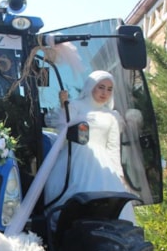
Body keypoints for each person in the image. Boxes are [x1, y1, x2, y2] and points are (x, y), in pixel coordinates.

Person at [43, 70, 136, 227]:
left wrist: (119, 174)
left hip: (103, 166)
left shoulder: (112, 116)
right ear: (91, 86)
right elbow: (64, 127)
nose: (104, 93)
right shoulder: (75, 106)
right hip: (75, 158)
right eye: (101, 87)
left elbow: (113, 148)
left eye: (109, 89)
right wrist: (64, 105)